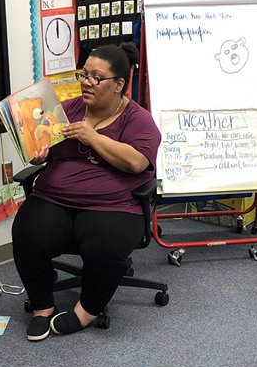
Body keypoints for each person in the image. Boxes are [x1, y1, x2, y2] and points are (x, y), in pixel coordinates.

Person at [11, 43, 162, 341]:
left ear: (119, 85)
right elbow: (41, 149)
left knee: (106, 243)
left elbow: (136, 162)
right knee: (27, 231)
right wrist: (38, 155)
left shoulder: (138, 119)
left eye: (96, 77)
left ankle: (86, 311)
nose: (86, 83)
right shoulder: (64, 112)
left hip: (114, 204)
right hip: (55, 197)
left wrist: (92, 136)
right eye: (83, 75)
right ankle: (42, 306)